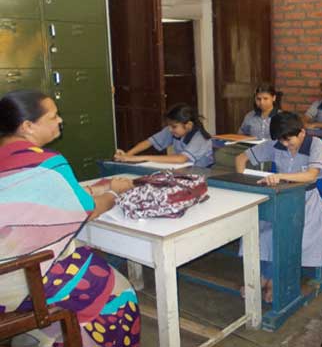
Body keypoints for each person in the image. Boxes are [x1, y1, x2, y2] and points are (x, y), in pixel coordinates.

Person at [0, 90, 140, 346]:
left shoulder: (11, 159)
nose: (60, 120)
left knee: (85, 254)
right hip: (15, 281)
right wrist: (113, 193)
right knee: (116, 288)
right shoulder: (46, 163)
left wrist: (99, 186)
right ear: (28, 126)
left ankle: (40, 336)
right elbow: (89, 209)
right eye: (53, 116)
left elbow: (48, 196)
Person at [235, 111, 322, 302]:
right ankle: (264, 276)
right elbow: (240, 158)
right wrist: (244, 182)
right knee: (260, 230)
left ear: (302, 132)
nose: (286, 145)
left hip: (306, 201)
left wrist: (280, 176)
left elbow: (312, 175)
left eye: (289, 141)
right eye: (282, 142)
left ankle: (271, 279)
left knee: (288, 236)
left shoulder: (316, 144)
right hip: (279, 198)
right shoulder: (276, 144)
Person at [114, 103, 213, 167]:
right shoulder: (174, 130)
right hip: (184, 171)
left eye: (173, 126)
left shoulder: (200, 138)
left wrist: (139, 158)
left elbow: (180, 159)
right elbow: (149, 142)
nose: (170, 129)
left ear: (188, 125)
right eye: (169, 126)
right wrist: (128, 155)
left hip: (203, 174)